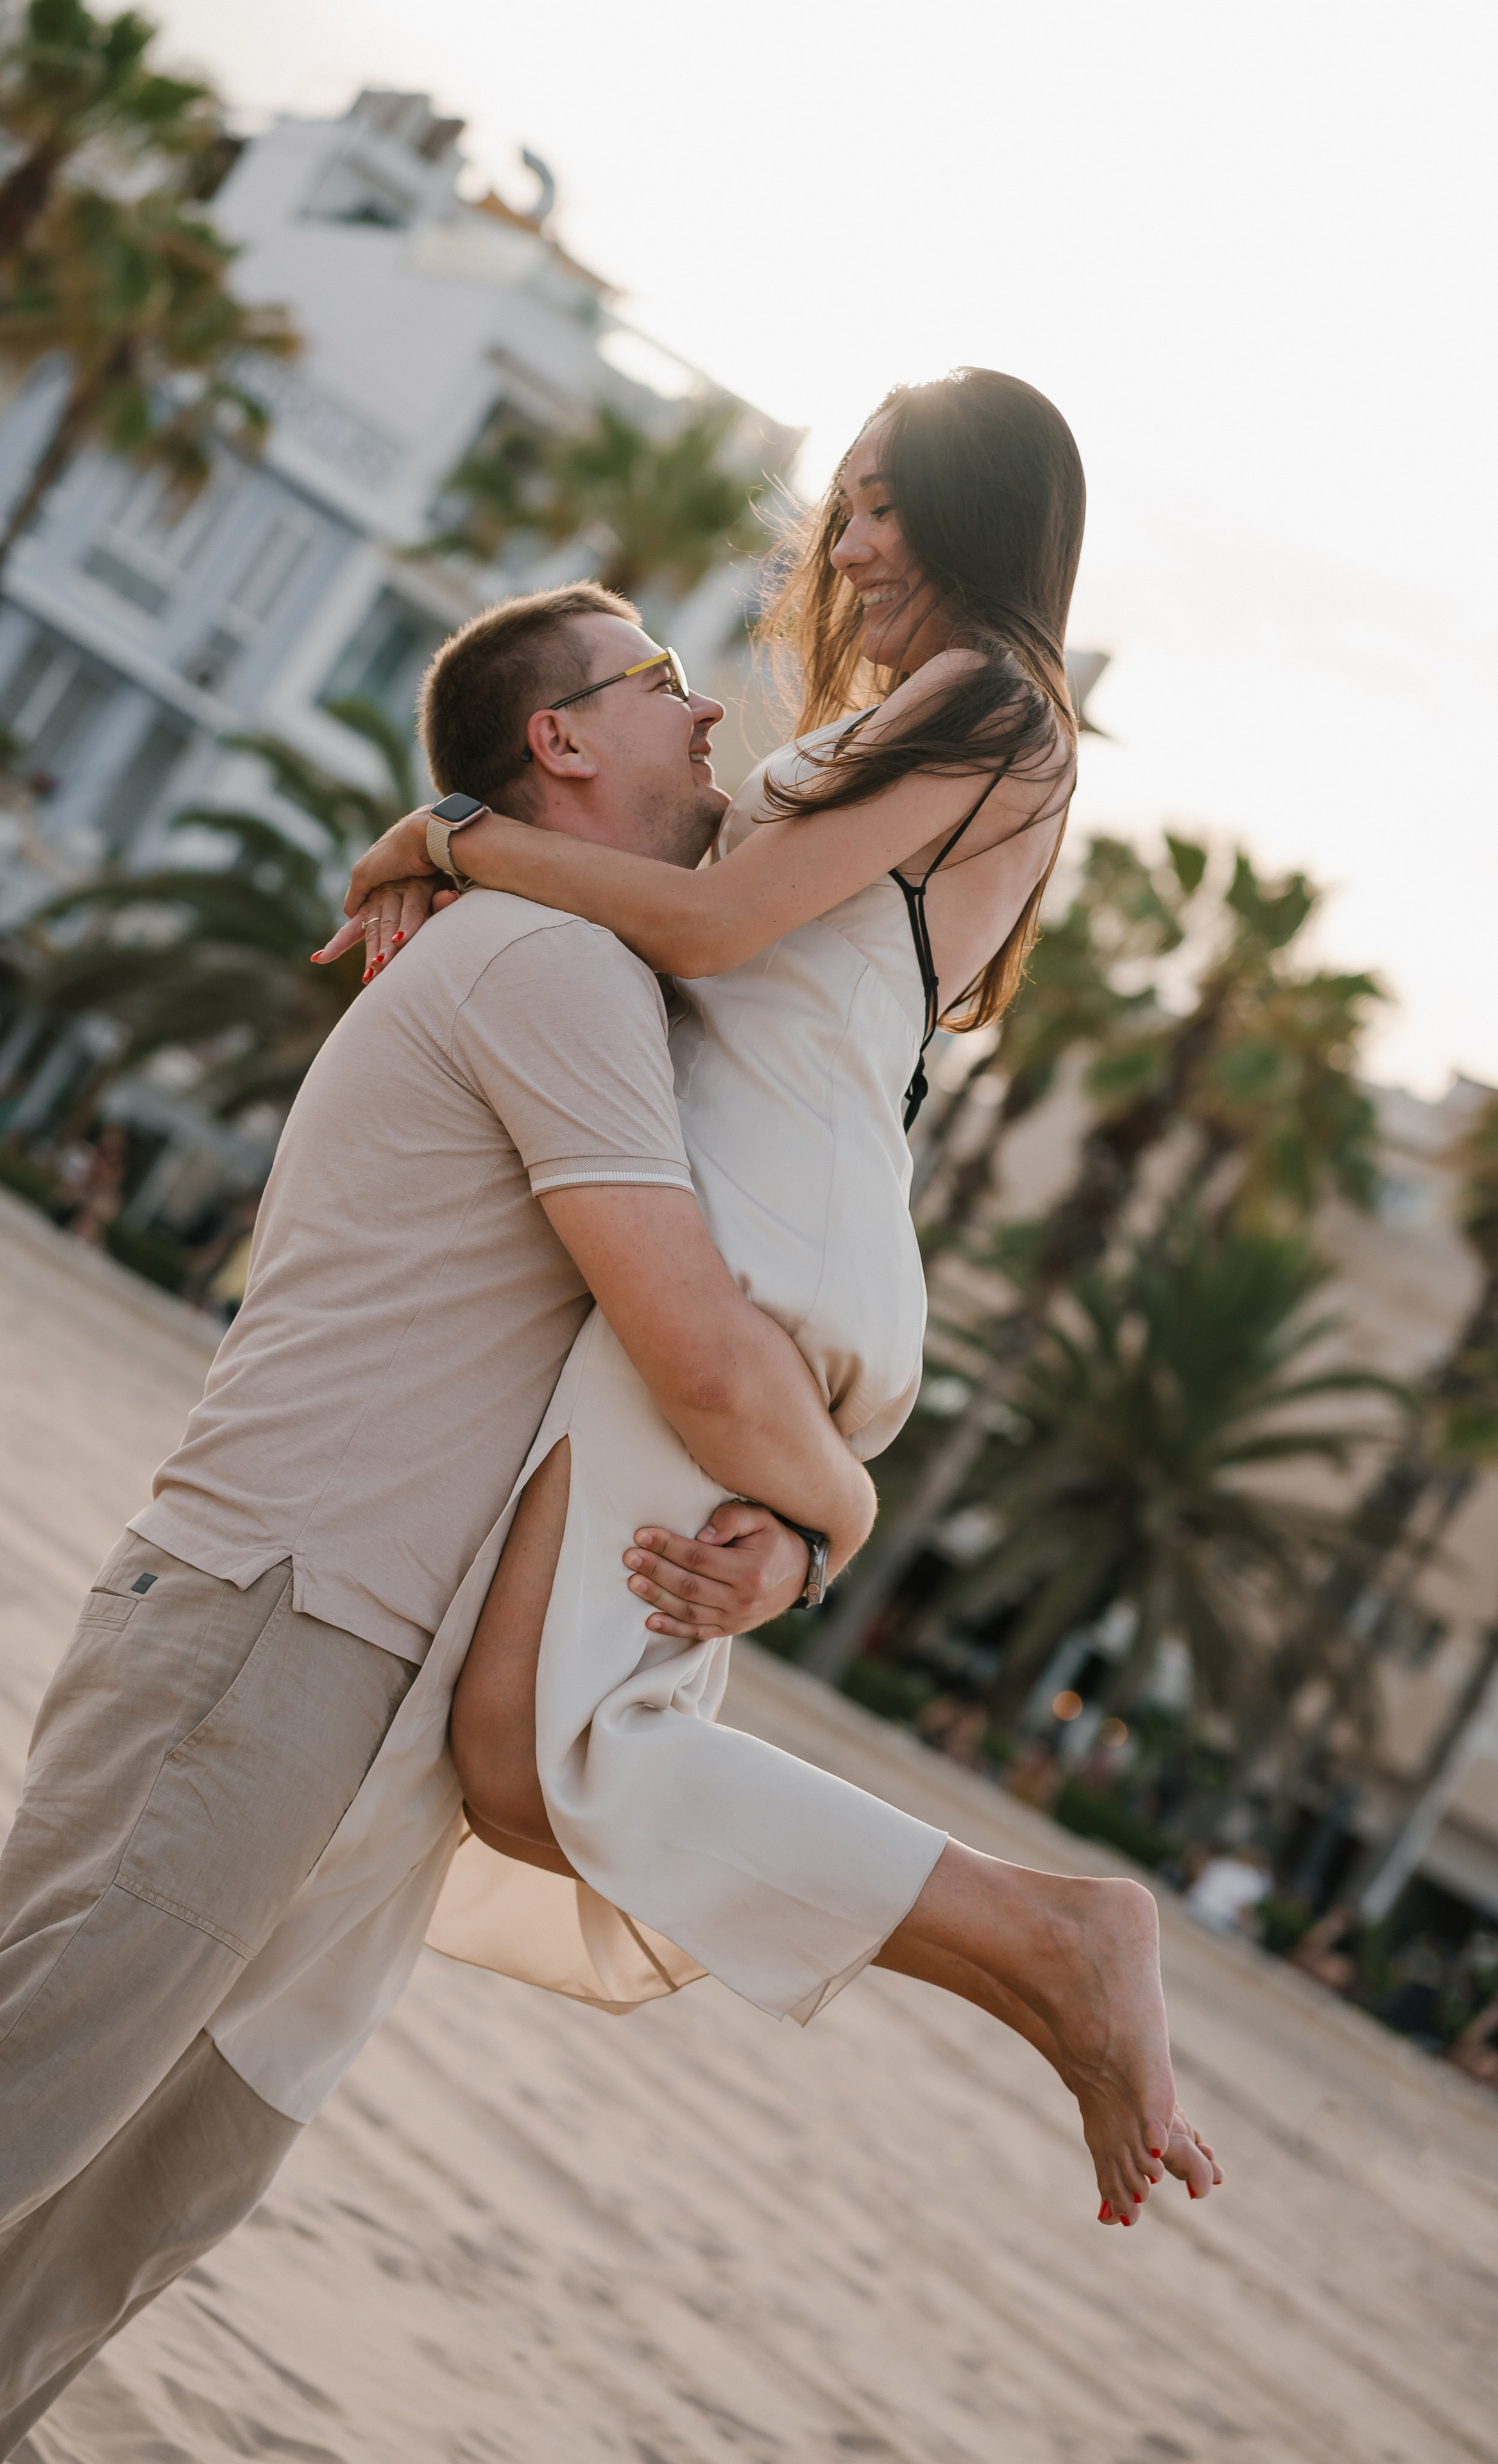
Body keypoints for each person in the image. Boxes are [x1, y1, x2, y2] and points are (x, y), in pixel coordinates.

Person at [0, 583, 872, 2446]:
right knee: (7, 2105)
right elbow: (705, 1356)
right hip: (279, 1622)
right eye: (662, 686)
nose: (711, 716)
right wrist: (846, 1509)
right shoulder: (547, 971)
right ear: (559, 741)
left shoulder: (586, 968)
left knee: (153, 2195)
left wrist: (775, 1537)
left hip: (365, 1687)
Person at [312, 369, 1221, 2217]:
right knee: (531, 1759)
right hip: (766, 1223)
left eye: (896, 506)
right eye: (849, 503)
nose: (855, 542)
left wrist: (451, 838)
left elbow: (718, 933)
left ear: (982, 523)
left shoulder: (996, 700)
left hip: (759, 1232)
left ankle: (1061, 1932)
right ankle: (1037, 1955)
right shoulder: (930, 716)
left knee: (541, 1749)